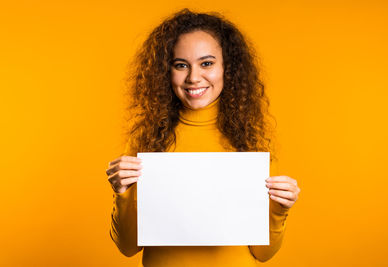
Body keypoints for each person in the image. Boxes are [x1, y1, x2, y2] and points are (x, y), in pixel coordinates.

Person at [106, 8, 300, 267]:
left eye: (206, 63)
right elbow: (128, 247)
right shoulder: (148, 142)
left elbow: (263, 253)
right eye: (180, 65)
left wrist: (279, 209)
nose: (193, 77)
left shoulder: (250, 141)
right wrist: (123, 194)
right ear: (167, 71)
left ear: (227, 68)